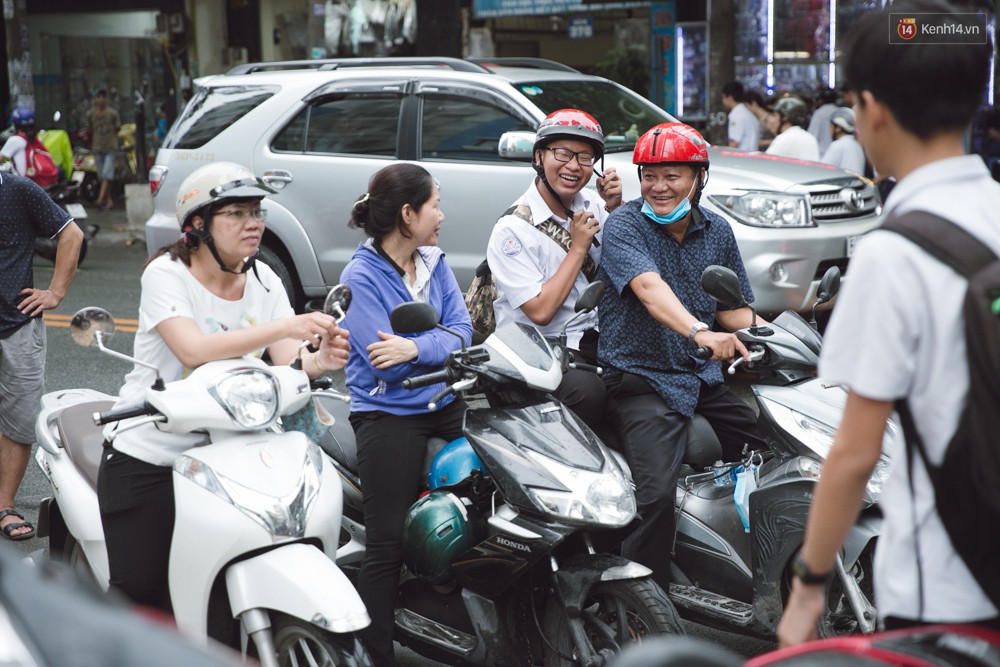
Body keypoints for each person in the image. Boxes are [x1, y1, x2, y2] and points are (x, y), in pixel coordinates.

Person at [777, 0, 1000, 646]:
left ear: (871, 108)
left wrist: (810, 583)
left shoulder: (893, 250)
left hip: (949, 583)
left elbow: (853, 452)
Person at [97, 162, 349, 613]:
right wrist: (283, 324)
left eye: (258, 213)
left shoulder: (264, 278)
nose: (253, 224)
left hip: (230, 448)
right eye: (236, 213)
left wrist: (318, 362)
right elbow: (193, 349)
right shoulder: (166, 274)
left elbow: (287, 359)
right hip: (151, 447)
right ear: (198, 225)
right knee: (140, 592)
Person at [596, 122, 766, 590]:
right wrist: (699, 331)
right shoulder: (624, 226)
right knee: (654, 498)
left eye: (672, 175)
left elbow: (734, 309)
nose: (659, 187)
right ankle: (642, 606)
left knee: (771, 453)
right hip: (641, 380)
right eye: (649, 175)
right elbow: (650, 291)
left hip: (702, 380)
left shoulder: (718, 230)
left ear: (699, 177)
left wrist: (779, 338)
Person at [340, 163, 472, 667]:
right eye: (435, 204)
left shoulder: (434, 262)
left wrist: (418, 349)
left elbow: (464, 332)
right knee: (387, 543)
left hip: (446, 400)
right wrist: (432, 349)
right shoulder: (361, 276)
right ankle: (375, 655)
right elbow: (385, 367)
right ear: (407, 214)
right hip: (387, 414)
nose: (442, 215)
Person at [486, 109, 622, 432]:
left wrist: (617, 209)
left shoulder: (595, 205)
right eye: (562, 153)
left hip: (591, 345)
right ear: (539, 156)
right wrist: (578, 248)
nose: (573, 166)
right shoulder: (512, 229)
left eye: (585, 157)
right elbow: (541, 310)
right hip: (536, 354)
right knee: (589, 393)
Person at [0, 170, 84, 540]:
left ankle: (4, 505)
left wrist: (55, 292)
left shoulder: (17, 190)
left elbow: (71, 233)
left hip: (17, 322)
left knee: (19, 419)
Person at [85, 89, 121, 210]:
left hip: (110, 147)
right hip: (97, 147)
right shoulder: (90, 114)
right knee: (102, 176)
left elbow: (117, 128)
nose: (101, 100)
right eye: (98, 97)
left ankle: (100, 199)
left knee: (107, 173)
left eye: (103, 97)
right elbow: (89, 128)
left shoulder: (113, 114)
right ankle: (109, 200)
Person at [765, 96, 820, 161]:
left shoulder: (784, 139)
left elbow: (765, 165)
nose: (771, 120)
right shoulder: (810, 138)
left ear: (784, 117)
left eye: (774, 115)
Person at [820, 107, 866, 173]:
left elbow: (821, 170)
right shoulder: (856, 146)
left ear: (838, 128)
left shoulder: (838, 145)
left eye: (831, 126)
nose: (829, 129)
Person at [721, 81, 760, 152]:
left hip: (742, 158)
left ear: (730, 97)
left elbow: (734, 143)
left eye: (723, 97)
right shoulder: (747, 112)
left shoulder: (736, 115)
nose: (723, 101)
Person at [0, 107, 37, 177]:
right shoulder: (36, 138)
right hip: (37, 180)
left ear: (15, 124)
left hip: (23, 183)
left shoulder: (15, 140)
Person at [806, 87, 839, 154]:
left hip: (821, 154)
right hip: (836, 152)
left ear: (821, 100)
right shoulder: (839, 111)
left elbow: (812, 136)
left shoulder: (820, 113)